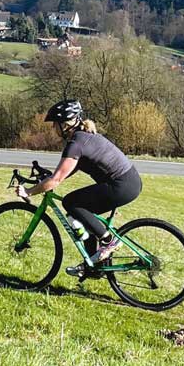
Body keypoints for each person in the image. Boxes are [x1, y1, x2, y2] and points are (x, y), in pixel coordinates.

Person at [24, 99, 142, 275]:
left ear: (65, 124)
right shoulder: (84, 137)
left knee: (71, 202)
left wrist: (29, 191)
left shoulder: (76, 144)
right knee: (81, 214)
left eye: (54, 124)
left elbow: (56, 180)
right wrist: (45, 179)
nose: (53, 129)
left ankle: (108, 242)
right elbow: (65, 172)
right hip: (128, 182)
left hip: (121, 185)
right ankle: (93, 266)